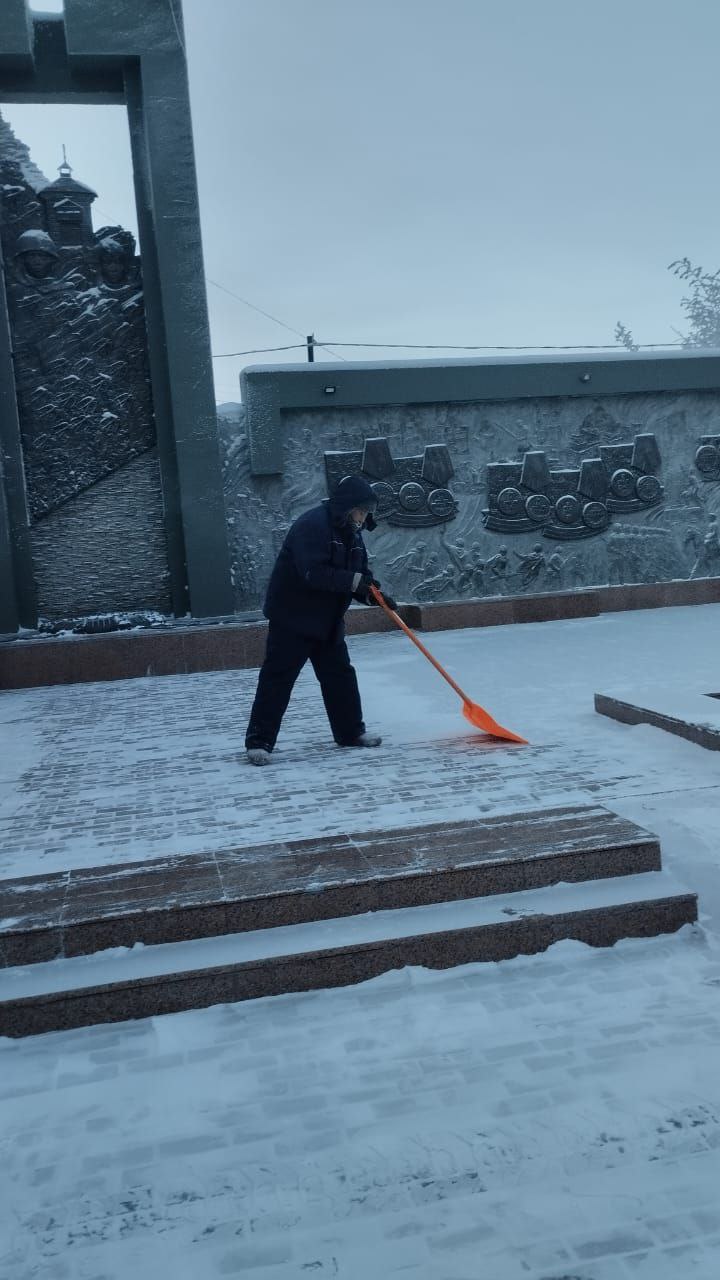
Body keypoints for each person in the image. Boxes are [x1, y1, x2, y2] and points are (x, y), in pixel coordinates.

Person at [245, 475, 397, 765]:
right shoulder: (312, 526)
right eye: (361, 510)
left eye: (367, 512)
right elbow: (313, 573)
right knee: (278, 679)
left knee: (339, 676)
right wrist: (356, 583)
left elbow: (357, 577)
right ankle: (259, 742)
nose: (364, 518)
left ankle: (350, 733)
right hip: (293, 617)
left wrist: (373, 594)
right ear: (346, 506)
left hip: (327, 620)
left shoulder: (353, 533)